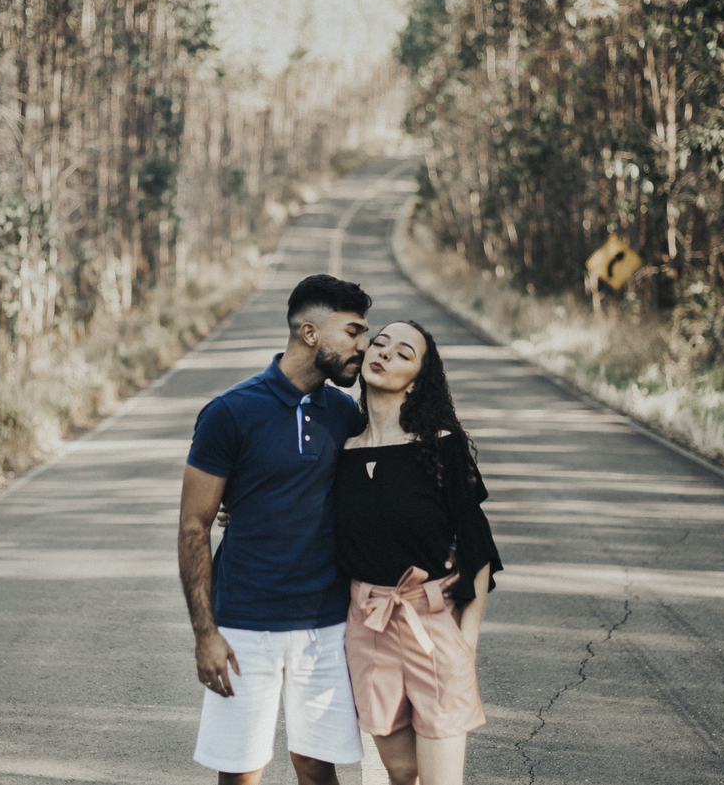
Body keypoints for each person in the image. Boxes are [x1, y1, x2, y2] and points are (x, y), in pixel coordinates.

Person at [177, 274, 372, 785]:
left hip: (326, 622)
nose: (362, 346)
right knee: (241, 771)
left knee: (317, 767)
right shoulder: (230, 412)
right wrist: (205, 635)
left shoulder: (345, 414)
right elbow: (195, 525)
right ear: (310, 333)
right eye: (352, 331)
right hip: (245, 623)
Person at [335, 319, 502, 785]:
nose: (385, 353)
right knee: (402, 772)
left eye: (403, 353)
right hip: (367, 624)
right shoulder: (341, 450)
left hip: (433, 623)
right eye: (381, 343)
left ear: (417, 381)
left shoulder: (441, 448)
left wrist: (464, 648)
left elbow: (479, 552)